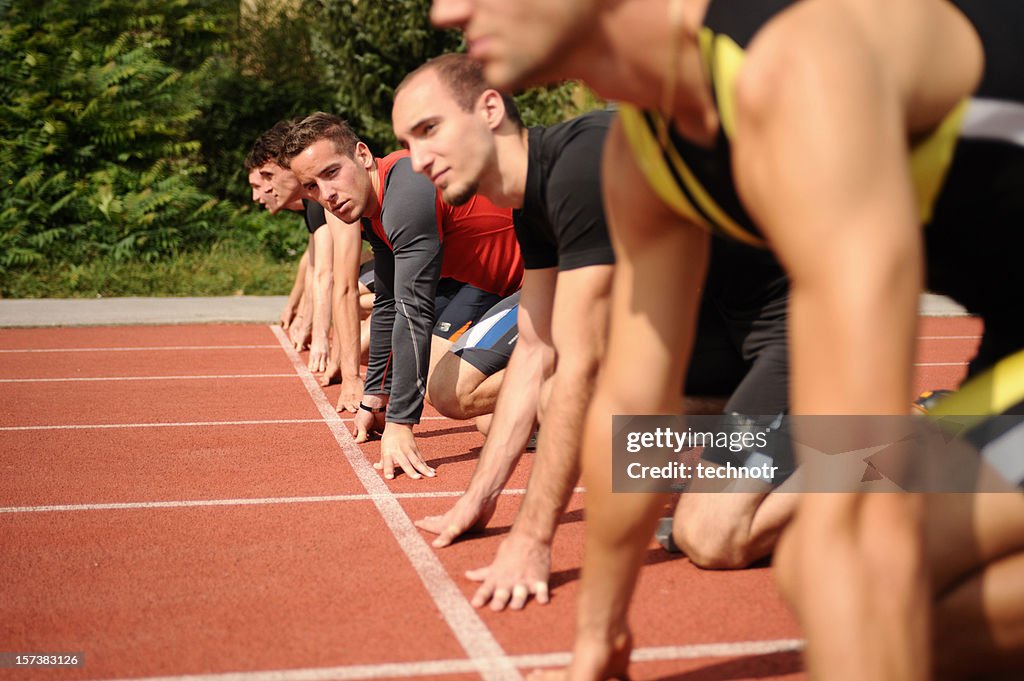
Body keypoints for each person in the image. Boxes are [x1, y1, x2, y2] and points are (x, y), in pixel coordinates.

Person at [430, 1, 1024, 680]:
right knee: (826, 575)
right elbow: (628, 391)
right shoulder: (642, 154)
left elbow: (862, 497)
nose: (447, 9)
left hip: (795, 343)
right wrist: (598, 635)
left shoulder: (800, 63)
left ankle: (887, 443)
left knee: (827, 560)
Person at [391, 53, 794, 611]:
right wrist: (477, 500)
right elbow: (534, 348)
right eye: (406, 143)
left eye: (428, 130)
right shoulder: (530, 204)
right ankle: (783, 449)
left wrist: (531, 540)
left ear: (488, 109)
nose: (416, 160)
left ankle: (911, 449)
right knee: (572, 408)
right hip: (723, 344)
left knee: (711, 534)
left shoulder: (582, 165)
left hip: (794, 334)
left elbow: (582, 360)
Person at [279, 112, 524, 480]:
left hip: (558, 277)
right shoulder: (375, 210)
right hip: (502, 288)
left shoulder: (407, 190)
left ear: (362, 156)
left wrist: (401, 421)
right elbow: (389, 303)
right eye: (311, 187)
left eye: (331, 173)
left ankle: (590, 371)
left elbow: (414, 308)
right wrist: (376, 394)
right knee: (488, 421)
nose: (325, 195)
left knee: (450, 393)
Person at [247, 120, 369, 409]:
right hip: (396, 275)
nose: (260, 191)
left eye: (266, 176)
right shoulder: (320, 201)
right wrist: (298, 309)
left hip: (429, 277)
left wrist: (324, 342)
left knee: (360, 323)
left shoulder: (327, 198)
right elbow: (313, 262)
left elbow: (332, 276)